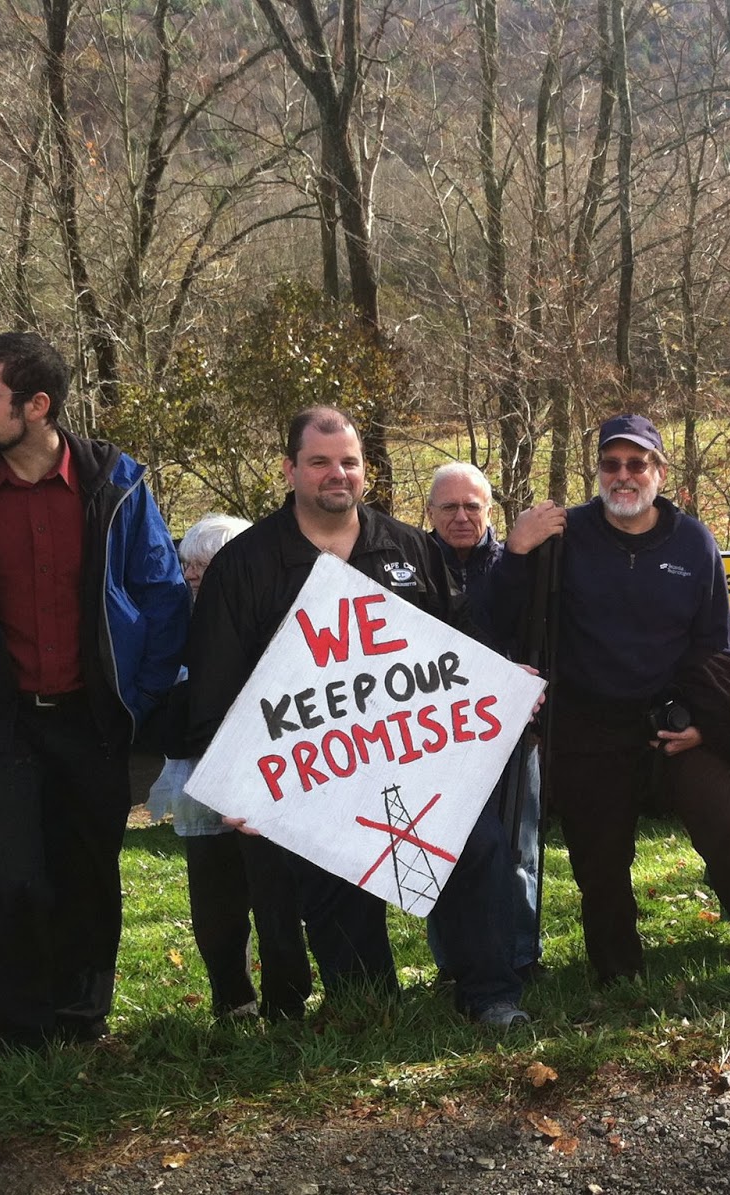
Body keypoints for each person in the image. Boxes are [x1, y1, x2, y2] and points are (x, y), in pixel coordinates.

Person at [183, 407, 531, 1027]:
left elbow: (461, 639)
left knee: (477, 848)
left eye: (348, 462)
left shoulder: (410, 548)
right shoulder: (246, 564)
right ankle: (370, 1004)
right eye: (319, 462)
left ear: (365, 471)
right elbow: (215, 687)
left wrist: (504, 681)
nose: (336, 474)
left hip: (417, 758)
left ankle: (491, 996)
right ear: (290, 470)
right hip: (314, 773)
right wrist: (238, 785)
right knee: (335, 886)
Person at [489, 413, 730, 988]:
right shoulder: (563, 535)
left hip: (674, 723)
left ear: (659, 472)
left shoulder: (694, 541)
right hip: (589, 726)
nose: (623, 476)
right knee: (599, 860)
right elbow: (501, 619)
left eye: (636, 463)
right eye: (611, 464)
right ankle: (618, 972)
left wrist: (705, 725)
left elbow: (718, 646)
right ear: (598, 470)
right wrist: (517, 552)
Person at [0, 331, 191, 1051]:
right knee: (8, 881)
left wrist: (138, 697)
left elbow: (161, 597)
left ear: (37, 405)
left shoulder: (114, 483)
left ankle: (81, 1022)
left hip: (92, 720)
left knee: (88, 877)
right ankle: (14, 1032)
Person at [146, 514, 311, 1021]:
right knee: (214, 894)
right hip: (201, 779)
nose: (193, 575)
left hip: (268, 777)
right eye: (188, 564)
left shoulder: (272, 612)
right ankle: (232, 998)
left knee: (275, 893)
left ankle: (287, 1000)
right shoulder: (176, 623)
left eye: (204, 564)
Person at [425, 461, 543, 981]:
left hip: (515, 729)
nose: (461, 516)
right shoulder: (414, 566)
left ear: (489, 510)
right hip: (436, 735)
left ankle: (521, 955)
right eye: (448, 507)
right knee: (442, 848)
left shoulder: (522, 563)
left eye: (472, 505)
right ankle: (454, 962)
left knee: (519, 847)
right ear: (429, 513)